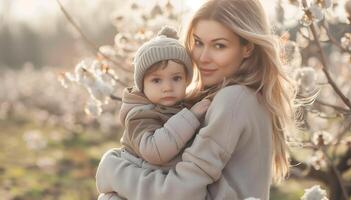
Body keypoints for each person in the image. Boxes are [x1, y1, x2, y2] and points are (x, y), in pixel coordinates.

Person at [96, 0, 298, 199]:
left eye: (219, 46)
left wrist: (112, 169)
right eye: (198, 43)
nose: (202, 57)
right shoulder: (237, 96)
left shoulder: (234, 100)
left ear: (247, 48)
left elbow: (178, 193)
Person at [98, 26, 211, 199]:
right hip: (131, 191)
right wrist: (191, 117)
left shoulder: (179, 108)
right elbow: (154, 151)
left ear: (186, 80)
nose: (167, 87)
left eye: (176, 78)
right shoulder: (139, 115)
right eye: (156, 80)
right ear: (142, 85)